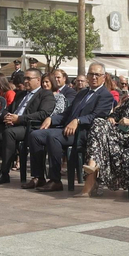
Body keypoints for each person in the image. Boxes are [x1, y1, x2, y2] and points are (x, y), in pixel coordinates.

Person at [27, 62, 114, 191]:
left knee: (53, 137)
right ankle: (38, 177)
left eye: (97, 74)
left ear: (104, 77)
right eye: (91, 74)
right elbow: (67, 113)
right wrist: (51, 118)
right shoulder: (82, 93)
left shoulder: (106, 96)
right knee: (35, 135)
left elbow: (97, 116)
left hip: (84, 133)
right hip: (67, 129)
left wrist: (78, 121)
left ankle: (55, 180)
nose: (94, 77)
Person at [0, 69, 52, 183]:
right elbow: (6, 109)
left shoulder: (45, 94)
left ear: (38, 80)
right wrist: (7, 116)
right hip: (10, 124)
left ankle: (4, 173)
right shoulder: (20, 94)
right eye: (25, 78)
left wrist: (19, 119)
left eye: (29, 78)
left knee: (9, 133)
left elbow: (43, 114)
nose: (25, 81)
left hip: (27, 127)